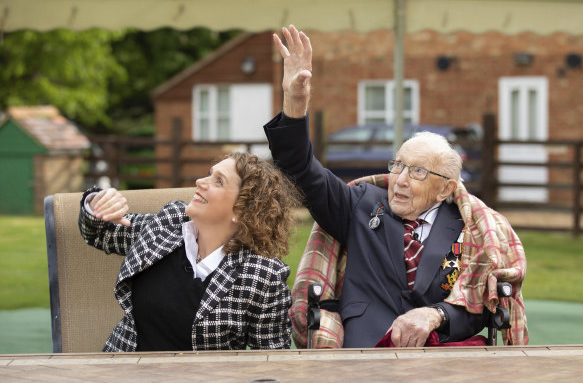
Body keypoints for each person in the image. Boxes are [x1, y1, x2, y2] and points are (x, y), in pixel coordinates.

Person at [264, 25, 528, 348]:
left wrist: (436, 315)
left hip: (441, 358)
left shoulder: (468, 227)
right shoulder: (360, 205)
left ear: (445, 188)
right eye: (398, 165)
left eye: (416, 171)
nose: (400, 179)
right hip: (365, 355)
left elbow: (480, 310)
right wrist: (295, 103)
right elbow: (300, 170)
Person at [78, 151, 302, 352]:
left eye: (218, 181)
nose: (200, 182)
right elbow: (100, 233)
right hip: (123, 373)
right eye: (209, 174)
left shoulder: (262, 276)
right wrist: (96, 203)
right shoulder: (168, 222)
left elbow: (272, 360)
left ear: (242, 209)